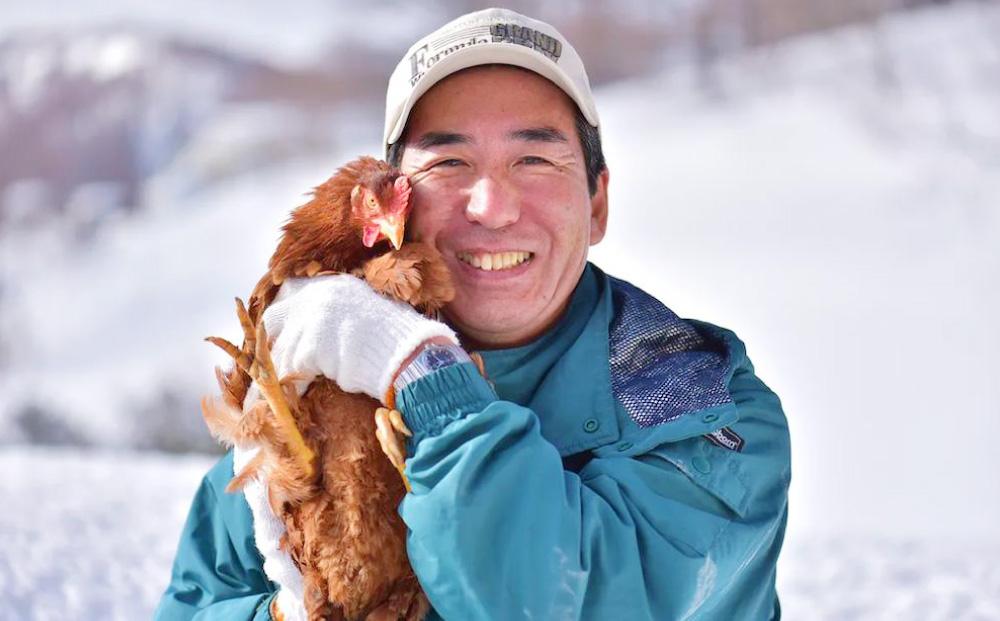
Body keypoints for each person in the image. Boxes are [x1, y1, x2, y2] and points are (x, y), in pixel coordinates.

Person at [155, 8, 790, 621]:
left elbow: (544, 602)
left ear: (597, 204)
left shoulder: (702, 410)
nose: (491, 206)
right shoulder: (306, 404)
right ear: (391, 210)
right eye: (449, 164)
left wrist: (422, 373)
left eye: (534, 159)